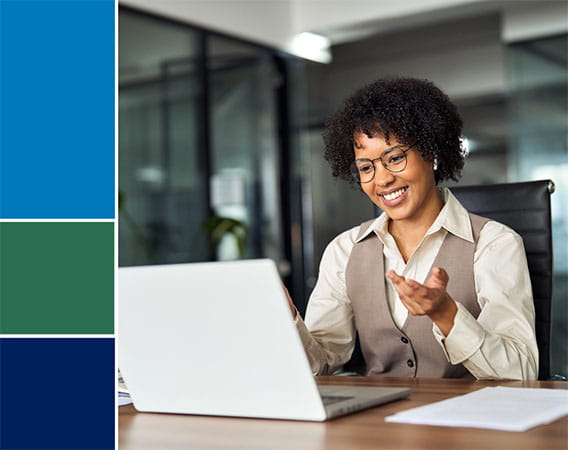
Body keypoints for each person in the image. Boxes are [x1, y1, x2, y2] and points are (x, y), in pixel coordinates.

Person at [286, 77, 538, 380]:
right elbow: (323, 364)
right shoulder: (344, 250)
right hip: (376, 422)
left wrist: (446, 313)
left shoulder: (494, 244)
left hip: (467, 422)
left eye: (394, 158)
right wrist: (287, 320)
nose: (382, 180)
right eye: (367, 167)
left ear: (431, 153)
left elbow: (522, 374)